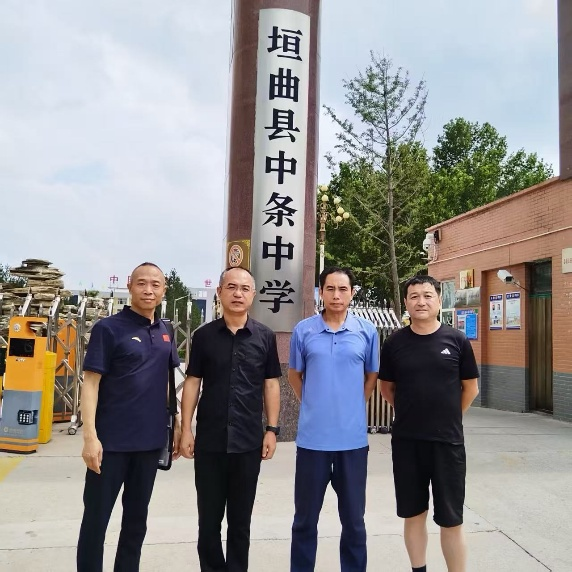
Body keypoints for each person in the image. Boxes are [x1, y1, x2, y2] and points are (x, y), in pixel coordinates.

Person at [77, 262, 181, 572]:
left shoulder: (165, 331)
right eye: (142, 283)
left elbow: (167, 381)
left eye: (155, 285)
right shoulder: (108, 329)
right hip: (111, 444)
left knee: (136, 522)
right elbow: (90, 383)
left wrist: (175, 423)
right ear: (130, 285)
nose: (148, 290)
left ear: (164, 290)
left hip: (149, 444)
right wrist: (90, 437)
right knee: (96, 521)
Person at [179, 266, 281, 572]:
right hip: (210, 442)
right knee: (208, 522)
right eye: (232, 287)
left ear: (253, 294)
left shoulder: (265, 337)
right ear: (220, 292)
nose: (238, 294)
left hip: (248, 443)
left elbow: (271, 385)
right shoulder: (204, 336)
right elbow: (193, 382)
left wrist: (272, 429)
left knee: (240, 522)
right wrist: (186, 429)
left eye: (245, 288)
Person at [380, 275, 480, 572]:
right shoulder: (394, 343)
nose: (420, 301)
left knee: (451, 518)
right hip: (407, 442)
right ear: (406, 302)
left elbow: (470, 388)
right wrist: (412, 412)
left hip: (447, 443)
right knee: (413, 514)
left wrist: (448, 416)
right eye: (414, 296)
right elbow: (387, 389)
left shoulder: (457, 340)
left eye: (427, 295)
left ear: (438, 300)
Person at [288, 266, 379, 572]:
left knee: (353, 521)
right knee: (304, 520)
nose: (336, 295)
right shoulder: (304, 331)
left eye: (343, 289)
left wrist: (353, 405)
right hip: (312, 443)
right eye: (330, 289)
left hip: (352, 443)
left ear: (352, 293)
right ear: (321, 292)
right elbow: (295, 375)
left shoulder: (366, 331)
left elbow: (371, 375)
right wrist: (313, 404)